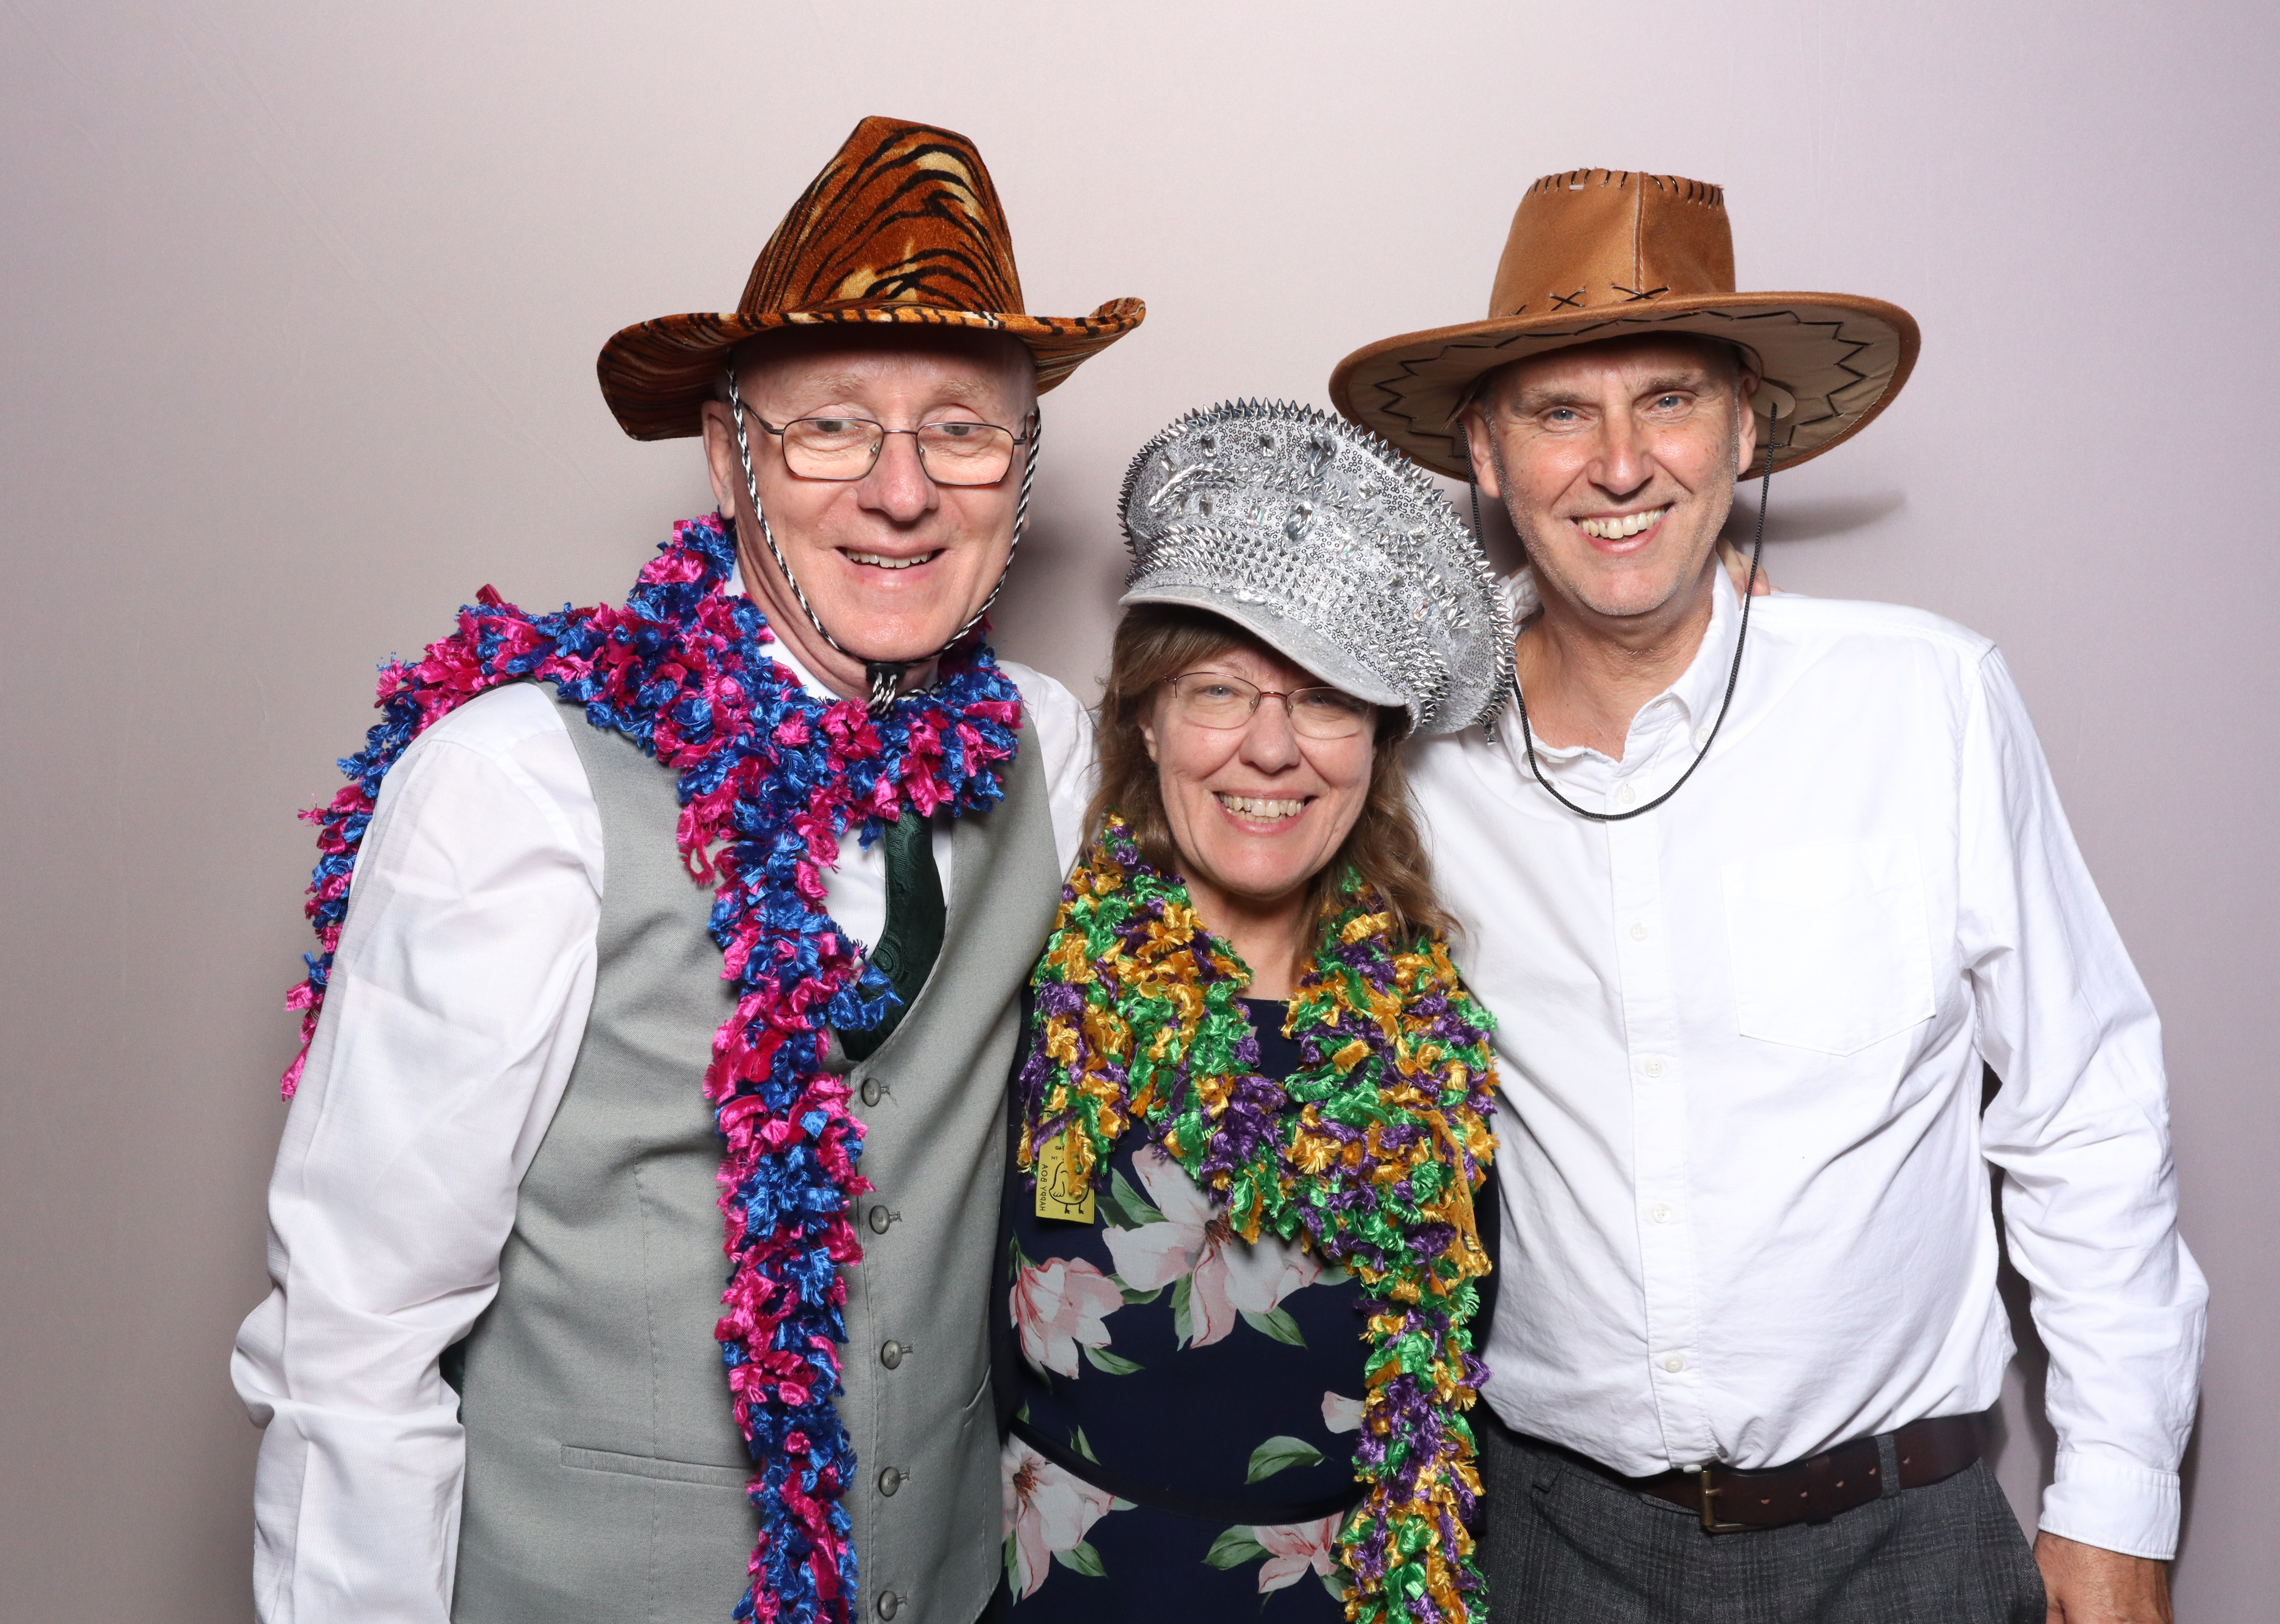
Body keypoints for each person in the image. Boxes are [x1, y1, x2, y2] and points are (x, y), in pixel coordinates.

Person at [230, 117, 1144, 1624]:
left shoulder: (1051, 754)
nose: (903, 492)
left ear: (1023, 472)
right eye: (834, 425)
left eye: (964, 430)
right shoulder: (517, 783)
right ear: (729, 455)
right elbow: (353, 1338)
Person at [1329, 170, 2204, 1623]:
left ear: (1746, 428)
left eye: (1667, 400)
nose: (1619, 465)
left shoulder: (1922, 699)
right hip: (1551, 1547)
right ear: (1485, 453)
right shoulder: (1411, 756)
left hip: (1899, 1540)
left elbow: (2087, 1109)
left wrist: (2117, 1506)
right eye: (1559, 413)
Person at [997, 400, 1516, 1623]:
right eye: (1220, 691)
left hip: (1362, 1593)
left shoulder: (1434, 1028)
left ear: (1380, 739)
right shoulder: (1039, 957)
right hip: (1060, 1584)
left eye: (1327, 698)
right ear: (1144, 713)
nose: (1272, 750)